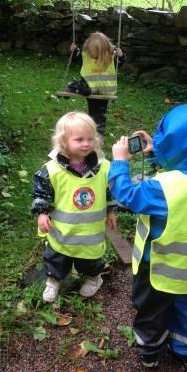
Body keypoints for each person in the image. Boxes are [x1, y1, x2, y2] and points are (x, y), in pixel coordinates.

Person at [108, 103, 187, 371]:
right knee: (185, 305)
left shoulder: (162, 189)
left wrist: (120, 162)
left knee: (150, 308)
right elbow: (185, 161)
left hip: (157, 266)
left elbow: (127, 195)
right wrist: (156, 150)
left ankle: (150, 349)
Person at [31, 111, 117, 303]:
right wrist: (42, 213)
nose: (86, 143)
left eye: (90, 138)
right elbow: (41, 193)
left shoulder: (103, 168)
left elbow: (109, 191)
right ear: (63, 142)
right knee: (57, 257)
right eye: (79, 139)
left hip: (91, 233)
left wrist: (111, 211)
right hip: (62, 231)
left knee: (90, 259)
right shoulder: (52, 170)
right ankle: (53, 280)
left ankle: (94, 277)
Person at [65, 32, 125, 136]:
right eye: (93, 52)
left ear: (104, 49)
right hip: (88, 86)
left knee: (99, 113)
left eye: (97, 53)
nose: (95, 56)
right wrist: (74, 51)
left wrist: (121, 56)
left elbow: (120, 63)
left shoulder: (112, 57)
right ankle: (73, 86)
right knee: (91, 104)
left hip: (104, 90)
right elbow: (77, 58)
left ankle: (98, 134)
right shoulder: (86, 55)